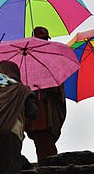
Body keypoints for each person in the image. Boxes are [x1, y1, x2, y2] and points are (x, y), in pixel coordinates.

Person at [24, 26, 68, 161]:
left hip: (47, 111)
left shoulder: (53, 62)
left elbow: (58, 89)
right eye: (40, 40)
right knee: (42, 144)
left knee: (46, 144)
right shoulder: (28, 63)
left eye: (45, 40)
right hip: (37, 111)